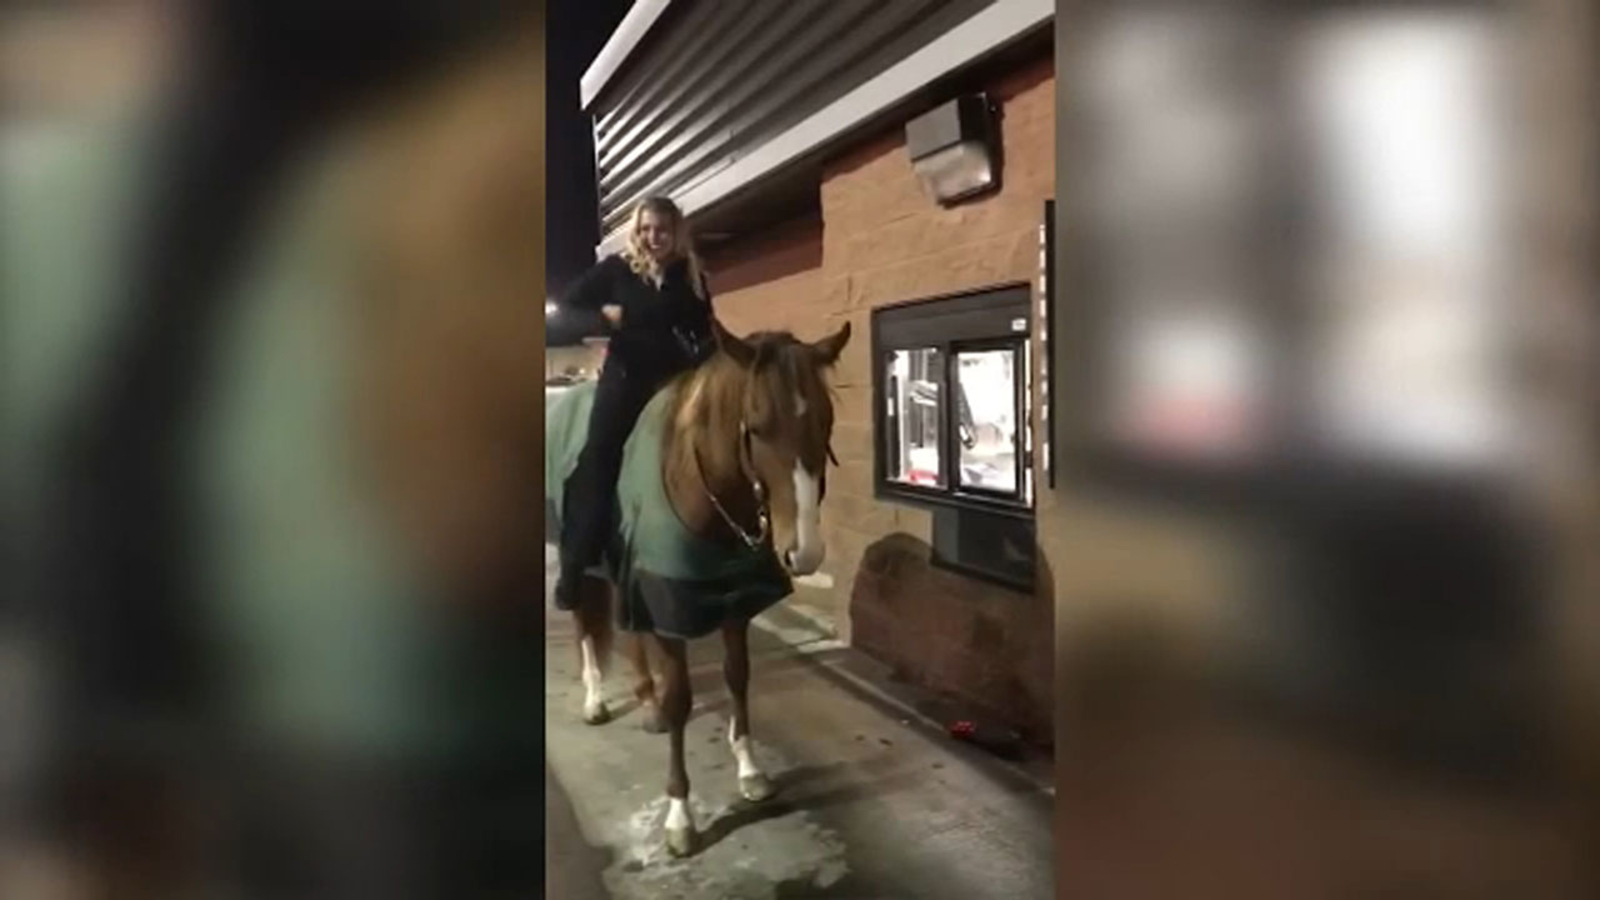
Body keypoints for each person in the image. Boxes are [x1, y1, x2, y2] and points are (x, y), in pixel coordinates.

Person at [554, 196, 716, 609]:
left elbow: (705, 333)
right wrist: (602, 319)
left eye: (661, 229)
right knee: (599, 457)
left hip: (675, 381)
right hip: (626, 380)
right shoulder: (617, 270)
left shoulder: (691, 275)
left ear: (675, 231)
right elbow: (566, 308)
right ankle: (576, 563)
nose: (652, 237)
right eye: (645, 229)